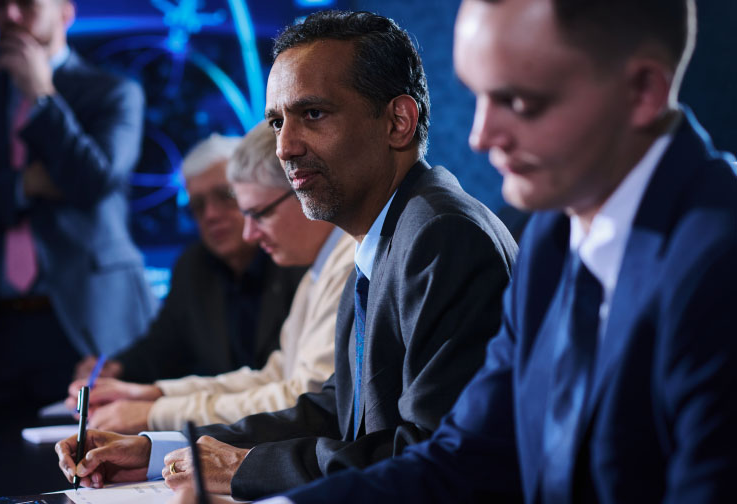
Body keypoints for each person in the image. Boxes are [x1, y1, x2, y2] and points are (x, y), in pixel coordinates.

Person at [235, 0, 737, 503]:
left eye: (517, 100)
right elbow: (469, 454)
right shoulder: (552, 236)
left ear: (642, 91)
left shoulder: (717, 259)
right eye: (477, 96)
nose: (480, 136)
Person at [55, 10, 517, 500]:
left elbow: (436, 456)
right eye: (277, 121)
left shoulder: (439, 236)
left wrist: (248, 468)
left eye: (313, 114)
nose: (284, 147)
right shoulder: (385, 233)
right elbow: (335, 411)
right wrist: (163, 451)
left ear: (398, 122)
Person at [65, 123, 351, 435]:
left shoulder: (332, 260)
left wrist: (157, 413)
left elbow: (302, 399)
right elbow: (276, 376)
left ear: (303, 189)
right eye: (198, 206)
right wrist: (155, 393)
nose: (249, 232)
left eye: (258, 213)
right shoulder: (315, 261)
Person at [0, 0, 156, 407]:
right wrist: (22, 185)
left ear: (65, 12)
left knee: (92, 458)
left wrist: (42, 96)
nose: (10, 15)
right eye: (0, 5)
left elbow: (93, 182)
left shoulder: (114, 92)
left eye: (26, 4)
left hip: (85, 321)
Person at [68, 134, 306, 390]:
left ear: (253, 192)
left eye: (225, 195)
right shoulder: (193, 267)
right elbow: (161, 350)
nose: (211, 215)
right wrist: (114, 369)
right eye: (198, 205)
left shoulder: (296, 254)